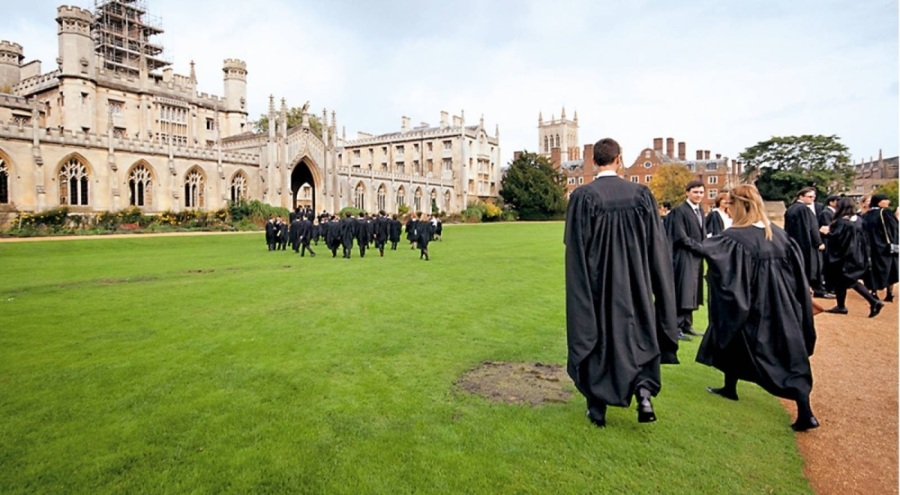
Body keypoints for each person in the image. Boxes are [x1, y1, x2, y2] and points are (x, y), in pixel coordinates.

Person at [564, 137, 679, 428]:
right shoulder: (641, 194)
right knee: (638, 332)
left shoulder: (583, 196)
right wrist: (658, 285)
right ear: (619, 159)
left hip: (599, 286)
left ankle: (598, 408)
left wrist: (581, 292)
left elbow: (576, 248)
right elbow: (657, 245)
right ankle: (643, 394)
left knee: (599, 338)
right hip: (636, 283)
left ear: (593, 161)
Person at [698, 185, 819, 432]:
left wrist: (681, 242)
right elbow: (797, 273)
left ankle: (806, 413)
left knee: (759, 347)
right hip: (783, 304)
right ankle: (729, 388)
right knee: (781, 349)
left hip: (753, 303)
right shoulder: (777, 233)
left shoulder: (735, 237)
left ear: (738, 205)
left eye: (730, 205)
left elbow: (711, 254)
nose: (728, 210)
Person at [823, 198, 883, 317]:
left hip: (845, 256)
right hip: (858, 254)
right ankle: (841, 306)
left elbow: (838, 239)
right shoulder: (859, 220)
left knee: (850, 280)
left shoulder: (842, 222)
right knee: (841, 281)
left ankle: (873, 301)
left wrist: (826, 233)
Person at [665, 180, 707, 340]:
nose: (699, 195)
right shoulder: (680, 211)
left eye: (701, 192)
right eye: (695, 192)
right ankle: (676, 327)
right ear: (687, 192)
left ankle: (687, 324)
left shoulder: (700, 211)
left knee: (693, 292)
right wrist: (700, 248)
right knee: (682, 291)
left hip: (696, 257)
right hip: (684, 256)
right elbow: (681, 237)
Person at [784, 187, 829, 299]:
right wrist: (819, 242)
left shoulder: (791, 208)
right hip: (806, 244)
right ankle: (817, 290)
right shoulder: (804, 209)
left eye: (813, 197)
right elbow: (811, 228)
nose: (812, 199)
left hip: (794, 242)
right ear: (801, 196)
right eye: (809, 196)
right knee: (812, 267)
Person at [862, 193, 898, 302]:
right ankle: (889, 293)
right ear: (879, 202)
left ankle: (874, 292)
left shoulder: (867, 214)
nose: (888, 202)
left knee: (873, 269)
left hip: (871, 247)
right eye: (885, 199)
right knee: (889, 269)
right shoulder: (885, 213)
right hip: (885, 247)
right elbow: (893, 229)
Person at [817, 195, 840, 295]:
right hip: (827, 241)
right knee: (828, 264)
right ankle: (829, 287)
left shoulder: (834, 212)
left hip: (832, 241)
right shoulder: (826, 213)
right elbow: (827, 227)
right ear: (831, 202)